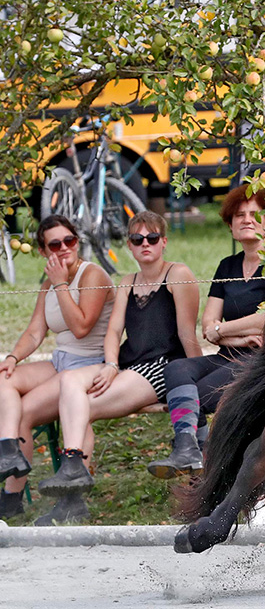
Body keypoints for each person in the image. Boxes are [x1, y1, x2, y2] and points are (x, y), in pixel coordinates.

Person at [33, 211, 202, 525]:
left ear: (164, 241)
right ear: (130, 245)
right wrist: (110, 364)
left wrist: (195, 379)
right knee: (69, 382)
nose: (145, 244)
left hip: (162, 367)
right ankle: (73, 466)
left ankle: (72, 498)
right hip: (128, 364)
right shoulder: (127, 282)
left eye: (152, 238)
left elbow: (186, 334)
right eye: (137, 239)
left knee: (80, 406)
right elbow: (113, 332)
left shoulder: (178, 273)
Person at [146, 184, 265, 496]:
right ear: (230, 223)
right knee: (176, 370)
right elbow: (208, 325)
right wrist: (235, 334)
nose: (247, 220)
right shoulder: (227, 266)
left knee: (192, 395)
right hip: (228, 354)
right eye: (239, 215)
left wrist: (225, 329)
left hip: (259, 362)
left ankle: (198, 459)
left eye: (255, 214)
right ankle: (188, 448)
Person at [0, 215, 114, 521]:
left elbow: (81, 326)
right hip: (60, 362)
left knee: (25, 410)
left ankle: (63, 499)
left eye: (70, 241)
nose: (64, 248)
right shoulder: (48, 281)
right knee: (4, 378)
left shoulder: (92, 275)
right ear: (42, 250)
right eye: (55, 244)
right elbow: (36, 331)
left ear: (77, 242)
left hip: (89, 365)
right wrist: (12, 357)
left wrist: (62, 283)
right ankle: (8, 455)